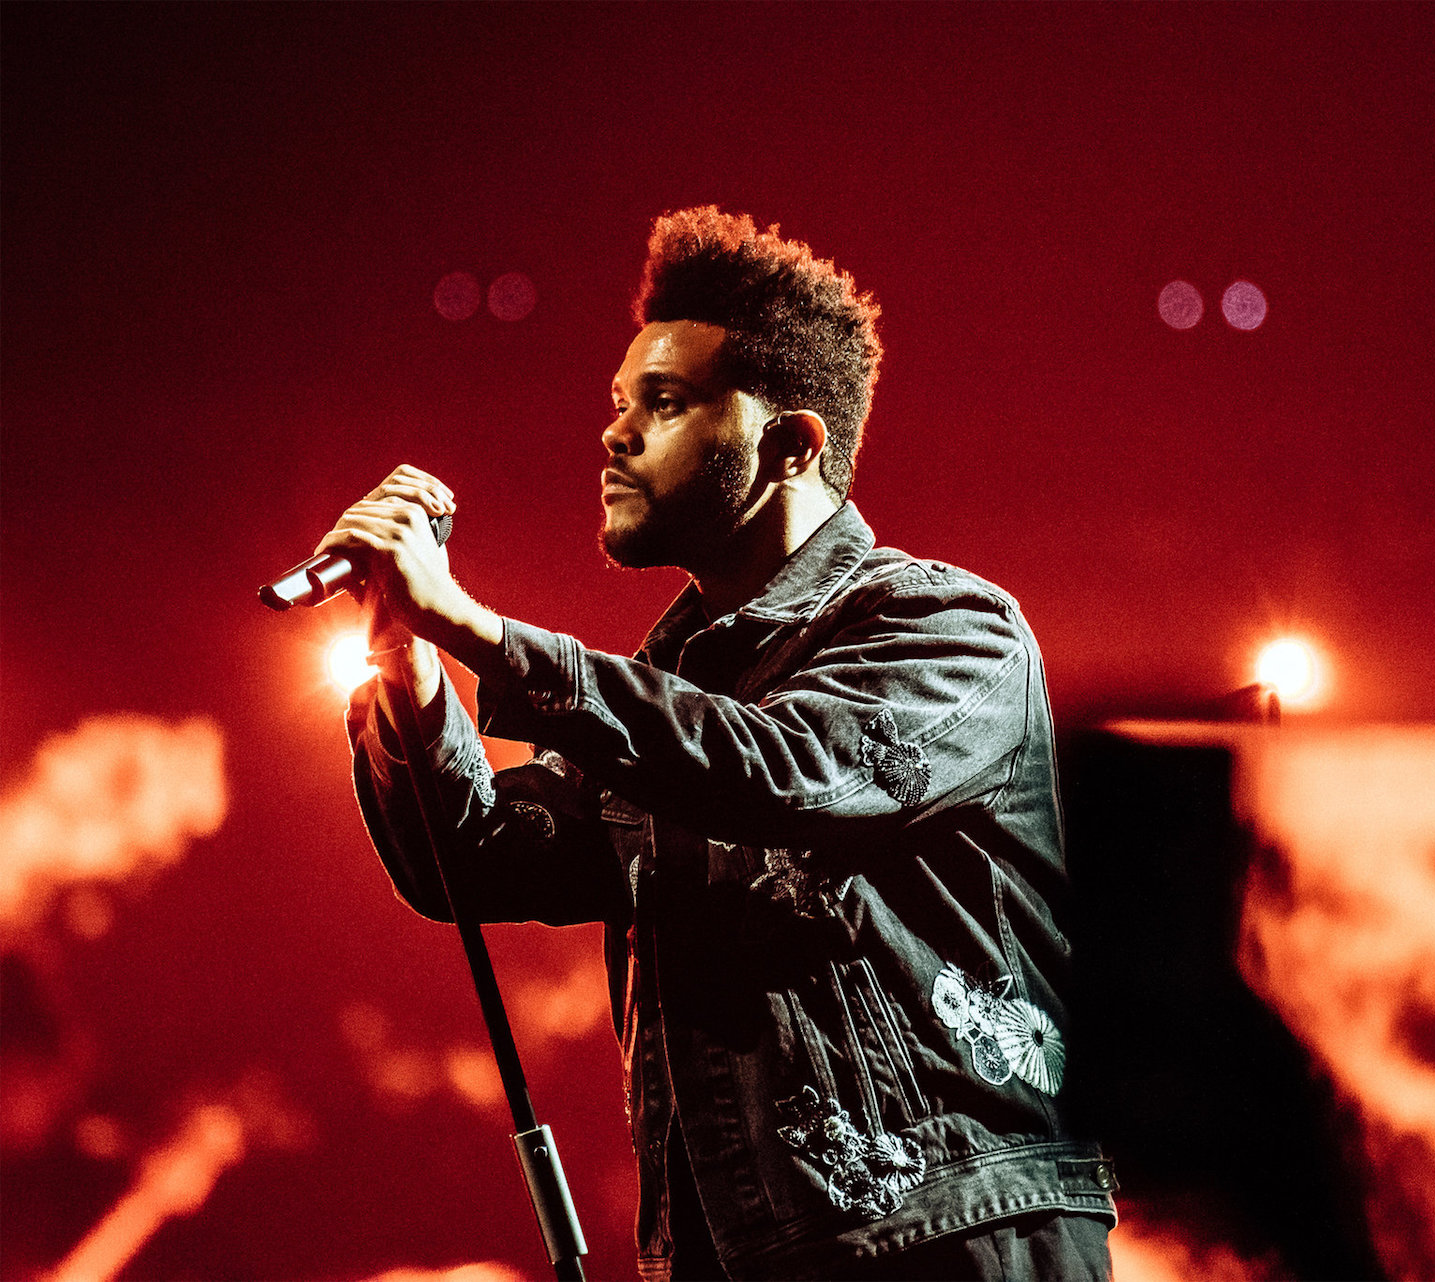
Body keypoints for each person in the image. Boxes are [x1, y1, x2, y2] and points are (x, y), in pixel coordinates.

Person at [324, 207, 1116, 1281]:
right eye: (619, 403)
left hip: (947, 1242)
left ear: (791, 446)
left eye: (665, 403)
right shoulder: (665, 701)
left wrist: (479, 629)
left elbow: (783, 770)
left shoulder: (948, 627)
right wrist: (409, 656)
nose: (615, 435)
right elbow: (471, 861)